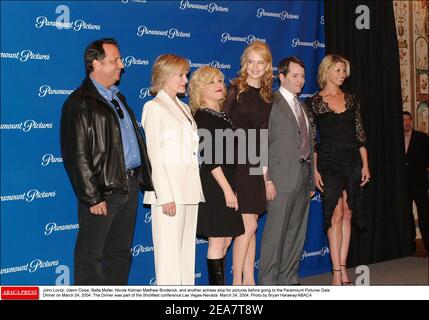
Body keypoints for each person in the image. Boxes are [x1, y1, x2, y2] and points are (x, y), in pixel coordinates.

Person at [60, 38, 153, 285]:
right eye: (115, 61)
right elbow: (76, 155)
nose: (121, 65)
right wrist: (92, 196)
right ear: (95, 64)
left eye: (120, 60)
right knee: (90, 257)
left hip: (129, 186)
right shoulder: (78, 102)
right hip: (102, 192)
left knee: (120, 255)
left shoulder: (118, 98)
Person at [306, 54, 370, 286]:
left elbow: (360, 133)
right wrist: (314, 171)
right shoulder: (314, 102)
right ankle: (335, 271)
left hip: (352, 160)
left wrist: (366, 164)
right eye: (338, 71)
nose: (342, 75)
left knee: (348, 212)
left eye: (344, 71)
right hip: (328, 162)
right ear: (327, 71)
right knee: (335, 212)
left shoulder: (351, 99)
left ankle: (343, 269)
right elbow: (312, 141)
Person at [141, 54, 204, 285]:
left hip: (189, 191)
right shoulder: (154, 107)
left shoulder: (184, 107)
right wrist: (165, 195)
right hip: (169, 194)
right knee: (169, 258)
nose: (185, 80)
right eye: (180, 75)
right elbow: (154, 157)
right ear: (165, 76)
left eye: (185, 74)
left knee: (187, 255)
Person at [259, 57, 314, 285]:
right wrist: (266, 179)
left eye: (302, 76)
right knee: (275, 236)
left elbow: (309, 143)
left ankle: (288, 281)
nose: (300, 80)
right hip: (279, 180)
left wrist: (310, 182)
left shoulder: (302, 104)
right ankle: (268, 286)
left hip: (302, 178)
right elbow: (260, 141)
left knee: (295, 235)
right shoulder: (270, 101)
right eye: (295, 76)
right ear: (281, 77)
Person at [189, 66, 245, 285]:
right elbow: (211, 159)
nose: (219, 85)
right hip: (215, 182)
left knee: (226, 238)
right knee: (217, 241)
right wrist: (228, 190)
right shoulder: (202, 117)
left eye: (220, 80)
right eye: (211, 82)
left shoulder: (222, 115)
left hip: (227, 179)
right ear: (200, 90)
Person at [223, 41, 273, 285]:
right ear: (245, 63)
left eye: (260, 62)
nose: (255, 67)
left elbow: (263, 139)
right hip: (236, 162)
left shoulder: (267, 97)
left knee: (251, 227)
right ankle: (236, 284)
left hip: (254, 164)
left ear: (267, 67)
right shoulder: (234, 90)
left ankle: (250, 281)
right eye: (251, 61)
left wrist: (265, 177)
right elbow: (220, 126)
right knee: (248, 225)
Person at [403, 111, 429, 253]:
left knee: (424, 213)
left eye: (408, 120)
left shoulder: (422, 137)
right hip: (404, 185)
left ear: (411, 121)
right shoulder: (396, 140)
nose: (406, 122)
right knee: (406, 214)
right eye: (403, 120)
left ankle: (427, 243)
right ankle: (410, 244)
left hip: (419, 182)